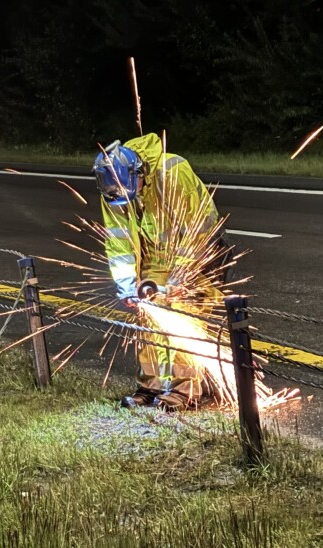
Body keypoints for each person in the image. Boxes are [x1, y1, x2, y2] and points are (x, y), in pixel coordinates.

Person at [92, 132, 234, 411]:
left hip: (198, 253)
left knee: (183, 314)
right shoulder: (113, 189)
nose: (122, 199)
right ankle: (151, 386)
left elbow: (197, 232)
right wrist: (127, 285)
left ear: (139, 171)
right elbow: (119, 241)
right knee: (149, 317)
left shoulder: (172, 172)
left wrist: (179, 280)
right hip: (157, 256)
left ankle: (186, 391)